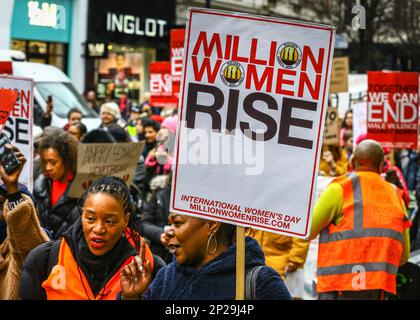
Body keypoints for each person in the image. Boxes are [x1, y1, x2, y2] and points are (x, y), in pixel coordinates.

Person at [19, 176, 163, 300]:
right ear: (81, 214)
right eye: (90, 218)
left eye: (109, 221)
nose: (98, 229)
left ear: (125, 220)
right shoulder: (44, 259)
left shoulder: (150, 268)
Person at [310, 140, 411, 300]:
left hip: (338, 289)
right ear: (381, 166)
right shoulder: (396, 195)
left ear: (352, 163)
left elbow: (307, 231)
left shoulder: (340, 189)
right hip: (378, 291)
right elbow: (404, 255)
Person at [120, 214, 291, 300]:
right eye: (170, 223)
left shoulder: (261, 283)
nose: (168, 231)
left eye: (177, 223)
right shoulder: (165, 277)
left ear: (211, 225)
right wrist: (131, 298)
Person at [0, 145, 49, 299]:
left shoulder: (28, 241)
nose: (3, 213)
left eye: (5, 205)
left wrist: (13, 191)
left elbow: (28, 245)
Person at [33, 132, 80, 240]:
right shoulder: (40, 184)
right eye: (44, 162)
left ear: (67, 160)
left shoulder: (82, 187)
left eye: (53, 162)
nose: (48, 167)